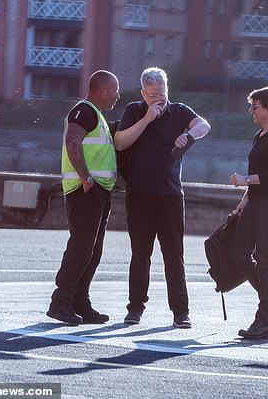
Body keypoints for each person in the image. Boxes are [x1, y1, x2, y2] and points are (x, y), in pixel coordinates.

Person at [115, 67, 210, 328]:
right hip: (139, 194)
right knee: (140, 254)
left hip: (170, 194)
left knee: (174, 254)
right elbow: (120, 142)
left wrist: (188, 135)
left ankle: (181, 312)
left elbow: (204, 125)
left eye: (163, 93)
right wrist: (146, 118)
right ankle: (135, 308)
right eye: (153, 95)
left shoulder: (179, 111)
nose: (159, 99)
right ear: (144, 93)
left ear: (168, 89)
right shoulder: (134, 111)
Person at [47, 70, 120, 325]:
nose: (117, 96)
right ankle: (61, 301)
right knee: (82, 247)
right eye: (114, 91)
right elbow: (72, 141)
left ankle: (80, 300)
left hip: (98, 190)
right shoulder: (85, 111)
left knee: (93, 250)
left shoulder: (97, 116)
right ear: (101, 91)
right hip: (86, 190)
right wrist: (86, 178)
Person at [229, 85, 268, 340]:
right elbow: (258, 173)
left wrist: (245, 180)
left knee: (265, 259)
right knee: (240, 254)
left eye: (255, 106)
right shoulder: (260, 136)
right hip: (255, 203)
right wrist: (243, 201)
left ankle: (264, 321)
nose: (251, 111)